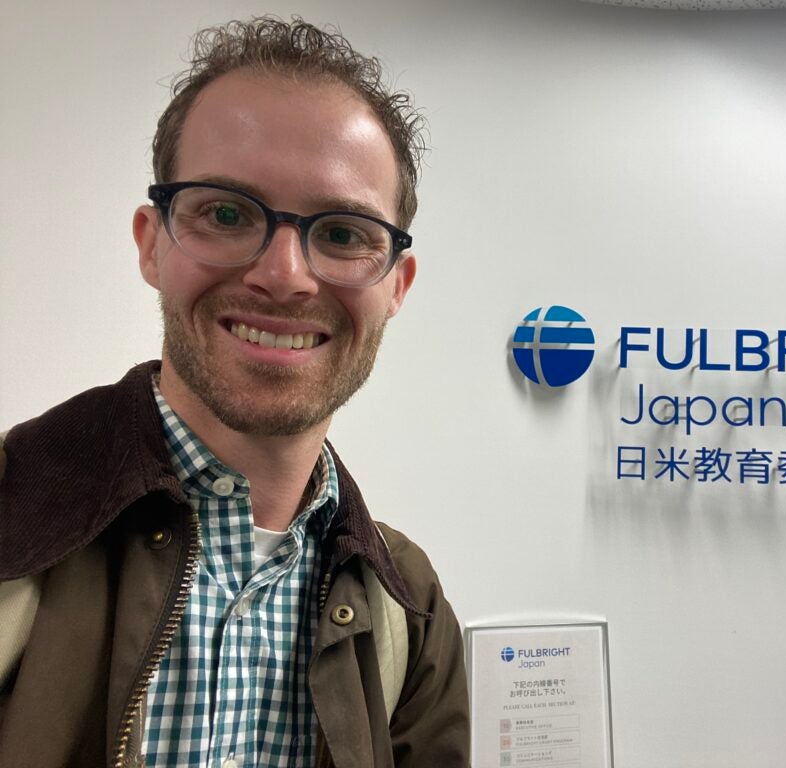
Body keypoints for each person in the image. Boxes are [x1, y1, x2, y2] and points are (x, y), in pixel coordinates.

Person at [0, 16, 469, 768]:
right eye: (224, 213)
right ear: (152, 243)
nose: (284, 275)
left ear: (396, 286)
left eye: (344, 233)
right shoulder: (13, 512)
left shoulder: (409, 609)